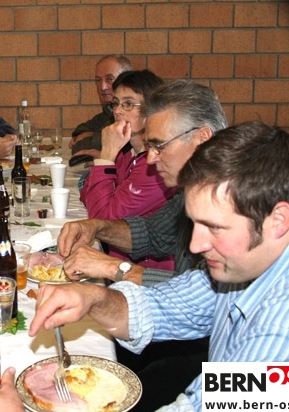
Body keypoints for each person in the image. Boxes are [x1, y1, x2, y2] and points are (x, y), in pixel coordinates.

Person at [0, 121, 289, 411]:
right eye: (195, 224)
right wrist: (94, 299)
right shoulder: (250, 264)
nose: (196, 245)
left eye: (215, 228)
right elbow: (173, 305)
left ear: (277, 220)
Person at [61, 79, 228, 410]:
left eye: (159, 146)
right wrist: (97, 228)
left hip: (204, 354)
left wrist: (114, 268)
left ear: (202, 137)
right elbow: (155, 235)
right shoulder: (198, 189)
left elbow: (252, 391)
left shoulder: (233, 200)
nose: (150, 159)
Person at [79, 69, 175, 271]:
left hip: (145, 274)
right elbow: (86, 195)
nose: (118, 111)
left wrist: (106, 155)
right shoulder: (127, 153)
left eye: (128, 104)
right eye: (115, 103)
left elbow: (102, 221)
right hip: (120, 261)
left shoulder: (155, 167)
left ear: (152, 111)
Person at [69, 54, 133, 156]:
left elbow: (81, 147)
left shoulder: (131, 113)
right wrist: (88, 134)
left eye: (110, 79)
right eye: (98, 80)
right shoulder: (109, 109)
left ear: (126, 81)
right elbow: (82, 128)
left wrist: (93, 135)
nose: (102, 87)